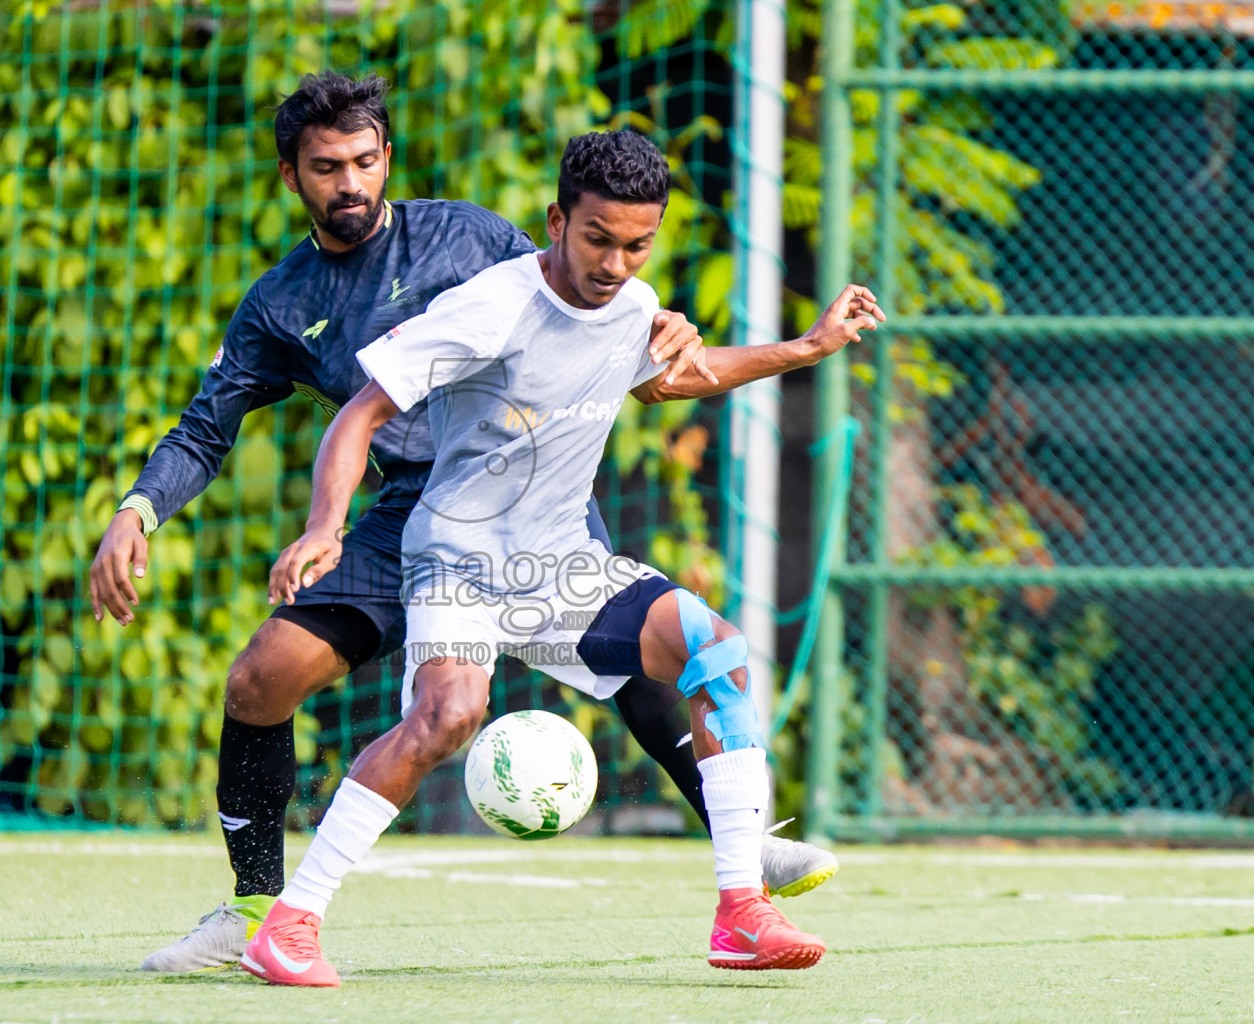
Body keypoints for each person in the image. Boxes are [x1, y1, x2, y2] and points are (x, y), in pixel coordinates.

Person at [89, 73, 839, 974]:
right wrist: (144, 509)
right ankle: (261, 910)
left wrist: (687, 330)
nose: (351, 182)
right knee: (266, 679)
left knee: (676, 646)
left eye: (366, 161)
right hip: (414, 517)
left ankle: (740, 859)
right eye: (328, 167)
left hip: (535, 512)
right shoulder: (283, 303)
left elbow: (584, 307)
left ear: (388, 160)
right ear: (291, 175)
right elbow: (222, 425)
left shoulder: (476, 236)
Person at [246, 129, 882, 987]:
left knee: (714, 648)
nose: (616, 263)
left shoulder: (635, 301)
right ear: (556, 220)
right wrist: (326, 527)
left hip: (561, 567)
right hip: (460, 561)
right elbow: (359, 412)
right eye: (597, 239)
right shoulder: (492, 306)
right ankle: (290, 923)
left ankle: (741, 912)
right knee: (448, 717)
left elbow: (666, 380)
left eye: (636, 243)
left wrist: (804, 348)